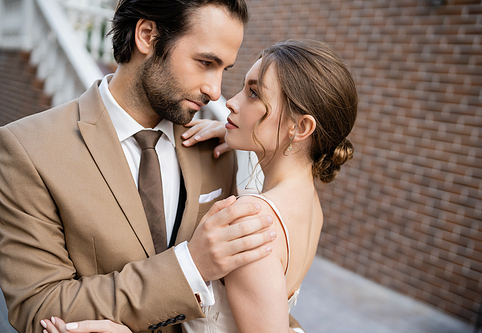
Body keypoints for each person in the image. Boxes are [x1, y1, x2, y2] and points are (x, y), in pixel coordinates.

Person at [0, 1, 308, 332]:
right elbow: (39, 308)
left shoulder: (218, 149)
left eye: (224, 70)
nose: (215, 91)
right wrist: (192, 265)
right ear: (147, 35)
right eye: (205, 62)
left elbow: (258, 294)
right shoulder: (27, 149)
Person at [40, 39, 358, 333]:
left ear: (300, 127)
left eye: (254, 93)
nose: (229, 101)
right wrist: (236, 133)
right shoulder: (309, 204)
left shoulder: (249, 222)